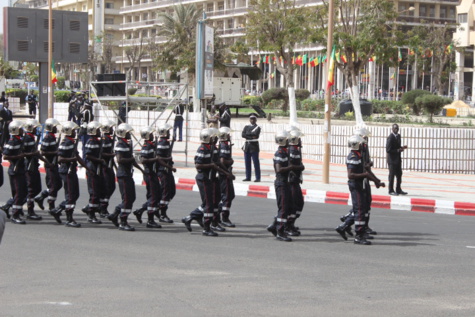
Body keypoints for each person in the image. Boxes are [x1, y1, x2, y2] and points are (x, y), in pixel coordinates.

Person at [182, 128, 230, 236]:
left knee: (213, 201)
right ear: (209, 138)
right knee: (208, 204)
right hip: (203, 178)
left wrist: (226, 172)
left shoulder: (212, 148)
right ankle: (207, 228)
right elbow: (198, 165)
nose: (217, 138)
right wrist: (211, 165)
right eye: (214, 137)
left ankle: (192, 217)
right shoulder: (202, 149)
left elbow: (217, 162)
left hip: (211, 178)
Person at [52, 121, 91, 227]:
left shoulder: (71, 142)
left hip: (72, 171)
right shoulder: (65, 143)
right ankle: (69, 219)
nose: (75, 132)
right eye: (73, 130)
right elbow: (60, 159)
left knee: (75, 194)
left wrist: (87, 167)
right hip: (66, 171)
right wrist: (71, 159)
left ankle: (58, 210)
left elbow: (78, 157)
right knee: (70, 195)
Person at [107, 123, 144, 231]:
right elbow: (119, 160)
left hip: (127, 174)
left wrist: (141, 169)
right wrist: (132, 160)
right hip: (123, 175)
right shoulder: (120, 145)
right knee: (127, 199)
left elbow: (131, 159)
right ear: (123, 134)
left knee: (131, 197)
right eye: (128, 133)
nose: (130, 135)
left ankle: (115, 213)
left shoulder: (126, 144)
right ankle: (123, 221)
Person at [337, 135, 372, 245]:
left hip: (359, 185)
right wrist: (364, 174)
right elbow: (350, 174)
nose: (363, 145)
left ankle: (345, 227)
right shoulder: (353, 156)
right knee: (359, 210)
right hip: (355, 186)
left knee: (360, 209)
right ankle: (358, 235)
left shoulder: (358, 155)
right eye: (361, 144)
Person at [266, 130, 298, 242]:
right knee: (283, 208)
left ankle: (275, 227)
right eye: (288, 139)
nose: (290, 141)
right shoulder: (279, 153)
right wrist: (291, 167)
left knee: (289, 207)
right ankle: (280, 231)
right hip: (281, 183)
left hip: (286, 182)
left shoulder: (285, 151)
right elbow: (279, 169)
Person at [34, 118, 63, 219]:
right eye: (54, 127)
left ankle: (42, 197)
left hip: (54, 164)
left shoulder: (53, 137)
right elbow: (43, 152)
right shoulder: (47, 138)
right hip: (50, 164)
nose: (56, 129)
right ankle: (51, 206)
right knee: (53, 185)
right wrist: (55, 153)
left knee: (58, 184)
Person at [2, 121, 27, 224]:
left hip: (20, 169)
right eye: (20, 129)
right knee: (18, 192)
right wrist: (18, 157)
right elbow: (6, 156)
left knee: (23, 192)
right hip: (15, 170)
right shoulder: (12, 142)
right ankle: (15, 214)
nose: (22, 131)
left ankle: (13, 208)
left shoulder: (19, 141)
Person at [81, 121, 104, 224]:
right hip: (92, 168)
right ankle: (91, 214)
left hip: (96, 167)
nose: (100, 131)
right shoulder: (91, 141)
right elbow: (88, 155)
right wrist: (99, 160)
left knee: (98, 192)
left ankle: (91, 209)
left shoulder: (97, 141)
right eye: (98, 130)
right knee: (94, 192)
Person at [286, 129, 305, 236]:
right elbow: (291, 165)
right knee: (294, 204)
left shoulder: (296, 149)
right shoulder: (292, 150)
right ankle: (287, 225)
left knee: (299, 203)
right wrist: (300, 167)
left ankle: (290, 223)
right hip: (291, 180)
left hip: (295, 180)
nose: (300, 140)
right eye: (299, 138)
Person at [217, 127, 236, 227]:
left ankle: (217, 211)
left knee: (230, 195)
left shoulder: (224, 145)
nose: (229, 136)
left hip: (225, 173)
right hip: (225, 174)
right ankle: (224, 217)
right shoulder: (224, 146)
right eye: (228, 134)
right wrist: (230, 163)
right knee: (227, 196)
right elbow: (222, 161)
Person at [98, 120, 116, 218]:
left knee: (111, 187)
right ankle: (102, 207)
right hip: (105, 166)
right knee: (107, 187)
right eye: (111, 128)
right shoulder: (104, 139)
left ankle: (103, 205)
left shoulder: (109, 138)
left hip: (109, 165)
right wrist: (112, 154)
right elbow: (102, 153)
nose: (112, 129)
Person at [386, 124, 408, 196]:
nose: (396, 130)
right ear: (392, 129)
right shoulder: (390, 137)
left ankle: (398, 189)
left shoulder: (398, 136)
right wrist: (398, 150)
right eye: (395, 128)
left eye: (397, 128)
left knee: (399, 174)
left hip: (397, 159)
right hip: (392, 160)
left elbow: (398, 147)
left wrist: (402, 148)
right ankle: (391, 190)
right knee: (392, 175)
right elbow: (388, 150)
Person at [241, 113, 261, 182]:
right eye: (251, 119)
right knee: (247, 162)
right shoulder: (246, 126)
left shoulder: (257, 127)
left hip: (254, 146)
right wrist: (250, 136)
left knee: (256, 162)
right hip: (247, 146)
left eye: (253, 119)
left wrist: (247, 135)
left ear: (256, 120)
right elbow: (243, 135)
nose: (252, 120)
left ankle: (258, 177)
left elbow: (256, 135)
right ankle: (248, 177)